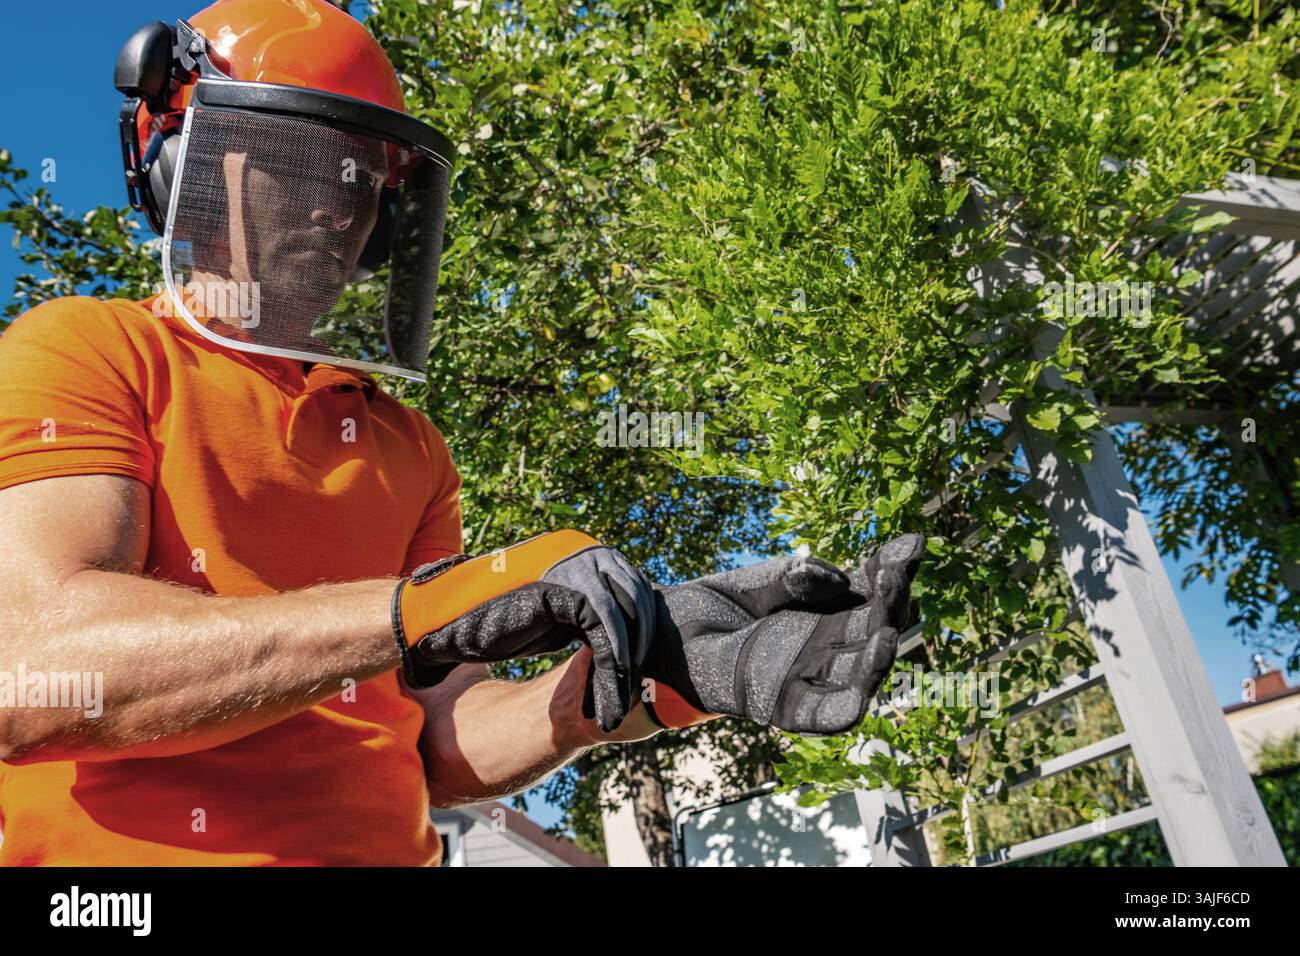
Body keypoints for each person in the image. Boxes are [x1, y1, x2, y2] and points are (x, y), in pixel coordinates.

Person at [0, 0, 919, 867]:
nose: (341, 207)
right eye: (311, 161)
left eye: (368, 182)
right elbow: (36, 670)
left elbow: (438, 740)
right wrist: (422, 605)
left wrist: (655, 682)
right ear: (182, 164)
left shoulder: (408, 448)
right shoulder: (87, 350)